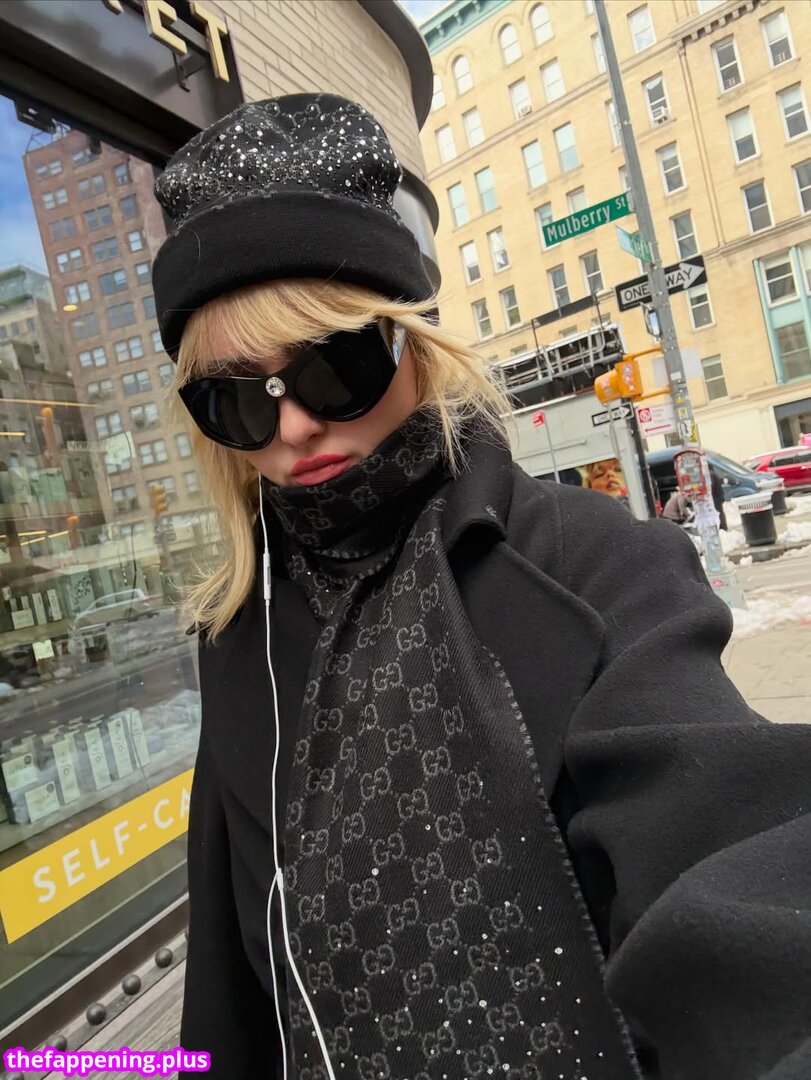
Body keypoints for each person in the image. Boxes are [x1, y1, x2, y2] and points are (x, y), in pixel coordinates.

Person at [151, 95, 811, 1080]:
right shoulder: (238, 634)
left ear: (410, 343)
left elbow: (729, 856)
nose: (292, 428)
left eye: (334, 367)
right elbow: (230, 992)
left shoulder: (587, 561)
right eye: (236, 398)